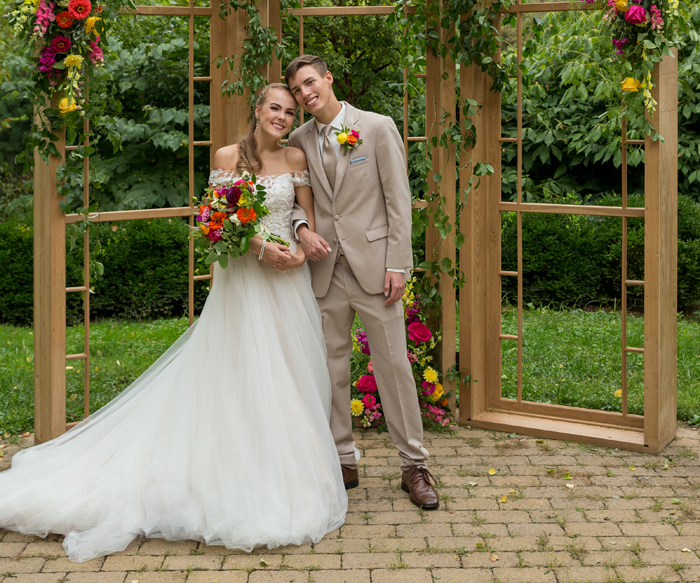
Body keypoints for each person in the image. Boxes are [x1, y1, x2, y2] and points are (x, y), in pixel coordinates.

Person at [0, 83, 347, 562]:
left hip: (287, 282)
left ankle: (290, 472)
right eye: (275, 108)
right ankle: (225, 472)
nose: (283, 118)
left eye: (289, 112)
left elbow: (302, 215)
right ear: (258, 109)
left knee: (289, 373)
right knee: (237, 368)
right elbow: (216, 219)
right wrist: (259, 247)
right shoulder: (229, 156)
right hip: (245, 279)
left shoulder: (293, 161)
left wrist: (300, 240)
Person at [285, 55, 439, 510]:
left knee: (394, 367)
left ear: (328, 79)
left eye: (309, 82)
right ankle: (342, 459)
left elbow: (399, 200)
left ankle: (414, 465)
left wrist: (399, 264)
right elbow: (294, 202)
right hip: (325, 271)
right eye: (295, 90)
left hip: (377, 269)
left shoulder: (375, 127)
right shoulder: (297, 140)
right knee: (330, 369)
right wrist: (301, 230)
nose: (304, 93)